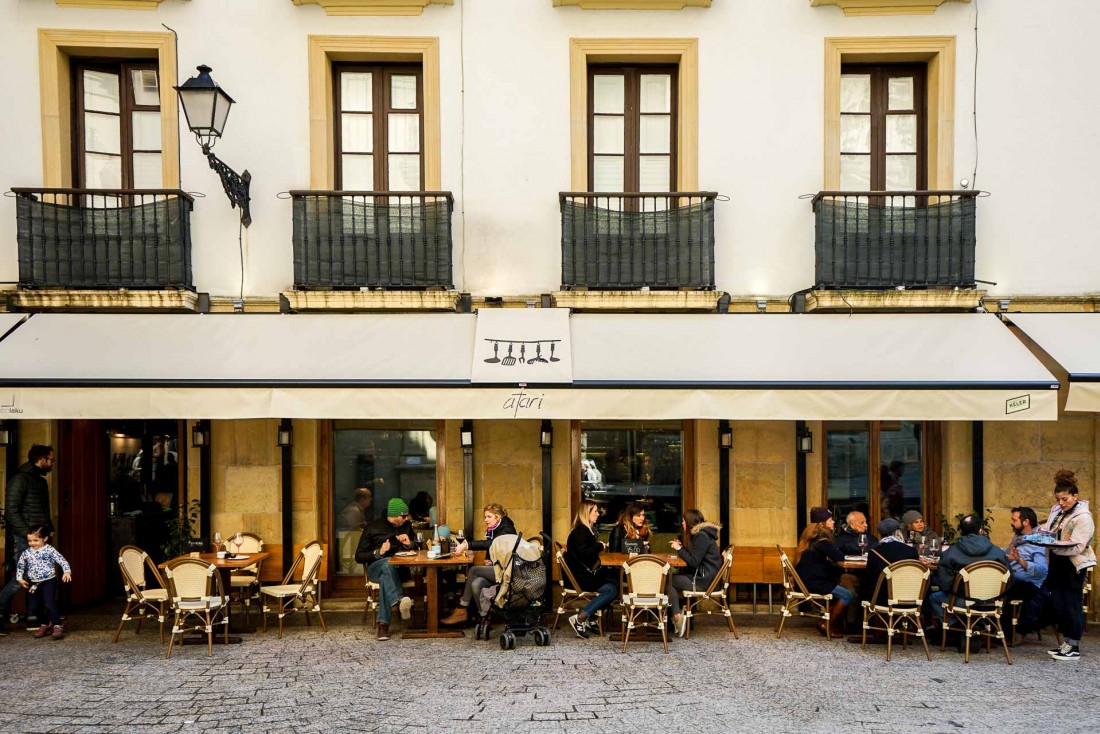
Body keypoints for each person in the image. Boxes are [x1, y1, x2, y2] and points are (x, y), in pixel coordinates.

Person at [1041, 470, 1096, 661]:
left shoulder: (1084, 517)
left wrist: (1053, 545)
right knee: (1060, 603)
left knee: (1072, 604)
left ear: (1075, 496)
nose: (1061, 503)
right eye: (1058, 499)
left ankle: (1075, 645)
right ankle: (1067, 642)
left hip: (1073, 565)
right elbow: (1052, 530)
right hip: (1057, 562)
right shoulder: (1058, 511)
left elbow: (1078, 546)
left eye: (1065, 499)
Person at [0, 445, 55, 636]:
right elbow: (11, 512)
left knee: (38, 577)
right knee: (21, 578)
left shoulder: (39, 481)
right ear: (41, 459)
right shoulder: (20, 480)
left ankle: (34, 616)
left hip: (40, 537)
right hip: (27, 538)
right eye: (50, 459)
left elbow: (43, 510)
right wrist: (29, 536)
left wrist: (49, 531)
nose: (52, 463)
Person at [440, 503, 516, 625]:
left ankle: (462, 608)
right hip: (498, 568)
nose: (485, 520)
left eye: (489, 517)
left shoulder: (507, 529)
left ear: (498, 517)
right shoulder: (496, 528)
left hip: (506, 572)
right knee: (476, 583)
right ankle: (485, 617)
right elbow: (497, 549)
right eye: (485, 517)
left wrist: (466, 545)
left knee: (473, 571)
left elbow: (492, 544)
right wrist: (491, 560)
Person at [354, 498, 418, 641]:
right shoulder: (372, 528)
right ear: (394, 515)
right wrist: (380, 552)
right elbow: (359, 556)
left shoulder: (406, 526)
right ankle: (398, 600)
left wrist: (409, 544)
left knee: (386, 577)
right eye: (403, 516)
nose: (406, 519)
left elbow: (418, 549)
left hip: (400, 570)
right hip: (376, 568)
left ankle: (383, 625)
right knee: (386, 565)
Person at [928, 514, 1008, 623]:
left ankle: (956, 625)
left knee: (933, 598)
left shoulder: (950, 553)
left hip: (963, 600)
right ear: (981, 531)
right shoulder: (998, 553)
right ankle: (977, 624)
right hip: (993, 601)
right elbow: (1009, 579)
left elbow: (945, 584)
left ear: (961, 531)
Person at [793, 507, 854, 638]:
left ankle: (829, 621)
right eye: (830, 520)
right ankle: (827, 623)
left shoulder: (810, 538)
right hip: (814, 583)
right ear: (822, 523)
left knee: (842, 587)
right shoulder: (822, 540)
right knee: (848, 594)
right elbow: (839, 556)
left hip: (807, 581)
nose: (833, 522)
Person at [565, 500, 618, 639]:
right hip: (580, 578)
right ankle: (581, 617)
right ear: (586, 514)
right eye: (595, 511)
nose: (598, 514)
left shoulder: (584, 529)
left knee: (614, 581)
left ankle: (591, 616)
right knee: (612, 588)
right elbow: (585, 553)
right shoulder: (581, 531)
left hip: (582, 574)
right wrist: (600, 546)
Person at [668, 509, 723, 638]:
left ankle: (677, 617)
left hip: (704, 581)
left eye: (683, 521)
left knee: (667, 581)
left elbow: (693, 562)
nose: (682, 523)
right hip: (705, 578)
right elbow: (696, 556)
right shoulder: (702, 534)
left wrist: (680, 549)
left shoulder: (701, 536)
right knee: (669, 580)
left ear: (689, 522)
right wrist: (683, 548)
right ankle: (678, 616)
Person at [15, 524, 71, 640]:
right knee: (34, 607)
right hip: (34, 583)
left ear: (45, 539)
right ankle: (45, 624)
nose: (32, 543)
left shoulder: (49, 550)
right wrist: (19, 578)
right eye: (30, 541)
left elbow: (62, 560)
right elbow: (21, 565)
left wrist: (67, 572)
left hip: (48, 581)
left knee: (49, 604)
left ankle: (57, 625)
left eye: (36, 540)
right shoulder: (27, 552)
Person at [1004, 506, 1048, 637]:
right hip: (1014, 579)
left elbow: (1042, 571)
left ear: (1026, 522)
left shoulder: (1038, 542)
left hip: (1030, 585)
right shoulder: (1018, 538)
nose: (1011, 522)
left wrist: (1020, 561)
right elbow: (1008, 553)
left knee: (1003, 590)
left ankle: (1006, 633)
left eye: (1014, 519)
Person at [861, 518, 919, 607]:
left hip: (882, 600)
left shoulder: (874, 552)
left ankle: (866, 619)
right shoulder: (912, 551)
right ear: (897, 532)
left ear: (880, 534)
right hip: (909, 598)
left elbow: (868, 579)